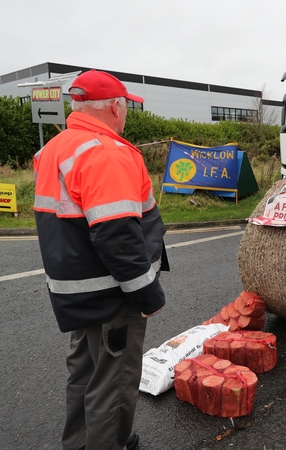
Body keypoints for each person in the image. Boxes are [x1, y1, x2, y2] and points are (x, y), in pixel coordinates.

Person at [33, 69, 168, 450]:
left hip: (77, 289)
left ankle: (79, 443)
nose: (125, 114)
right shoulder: (107, 152)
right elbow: (117, 236)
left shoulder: (55, 149)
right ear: (113, 106)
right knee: (115, 382)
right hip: (113, 293)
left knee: (84, 372)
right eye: (126, 106)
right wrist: (148, 295)